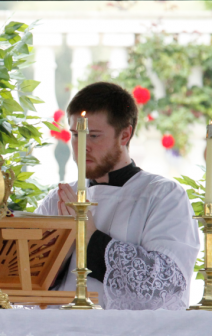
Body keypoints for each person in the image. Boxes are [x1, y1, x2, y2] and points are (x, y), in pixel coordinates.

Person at [35, 82, 200, 310]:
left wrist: (89, 237)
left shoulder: (164, 196)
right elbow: (26, 283)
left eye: (93, 136)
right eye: (76, 135)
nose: (82, 146)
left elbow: (163, 286)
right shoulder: (58, 199)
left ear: (124, 135)